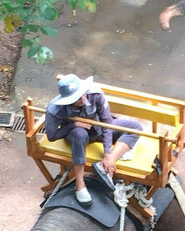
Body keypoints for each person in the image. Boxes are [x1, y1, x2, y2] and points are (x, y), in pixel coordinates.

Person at [45, 73, 142, 206]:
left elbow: (107, 124)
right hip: (77, 135)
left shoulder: (95, 94)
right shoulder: (55, 109)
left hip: (98, 128)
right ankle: (80, 184)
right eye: (77, 98)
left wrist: (108, 154)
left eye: (82, 93)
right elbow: (52, 135)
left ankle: (106, 165)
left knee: (135, 128)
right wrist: (72, 125)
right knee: (79, 134)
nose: (82, 98)